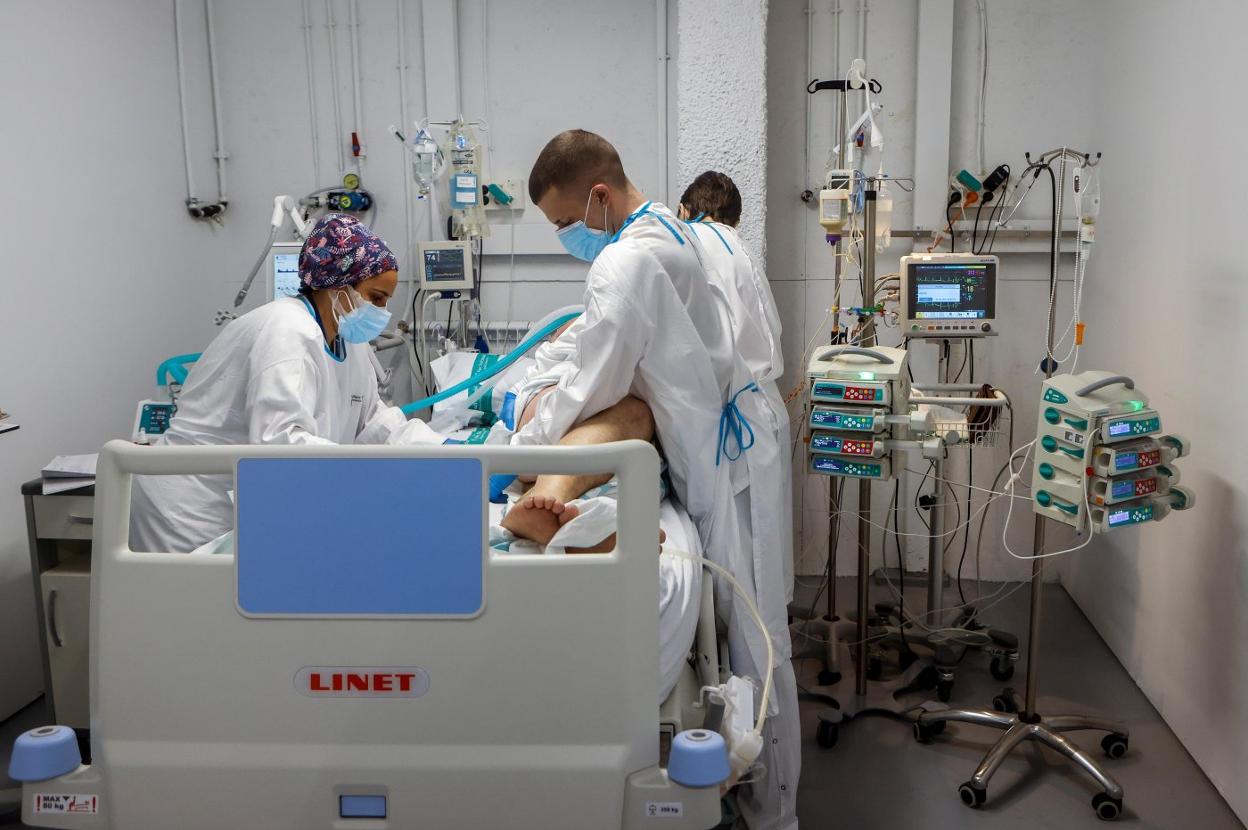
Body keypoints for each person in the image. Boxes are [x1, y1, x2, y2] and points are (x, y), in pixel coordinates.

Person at [501, 130, 799, 830]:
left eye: (564, 224)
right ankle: (765, 795)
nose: (566, 238)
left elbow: (590, 383)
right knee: (758, 626)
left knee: (753, 634)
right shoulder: (676, 228)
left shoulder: (623, 266)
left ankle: (768, 806)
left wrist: (526, 431)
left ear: (598, 196)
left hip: (709, 450)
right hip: (731, 439)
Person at [130, 214, 423, 553]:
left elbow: (374, 422)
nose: (383, 312)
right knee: (200, 603)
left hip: (243, 504)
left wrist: (452, 454)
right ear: (337, 284)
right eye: (375, 298)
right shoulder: (287, 330)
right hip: (191, 511)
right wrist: (367, 482)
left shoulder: (349, 341)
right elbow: (281, 442)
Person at [678, 171, 794, 603]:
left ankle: (749, 661)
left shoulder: (694, 244)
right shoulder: (739, 248)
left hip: (736, 421)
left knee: (743, 567)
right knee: (765, 552)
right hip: (764, 408)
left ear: (687, 211)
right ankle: (769, 656)